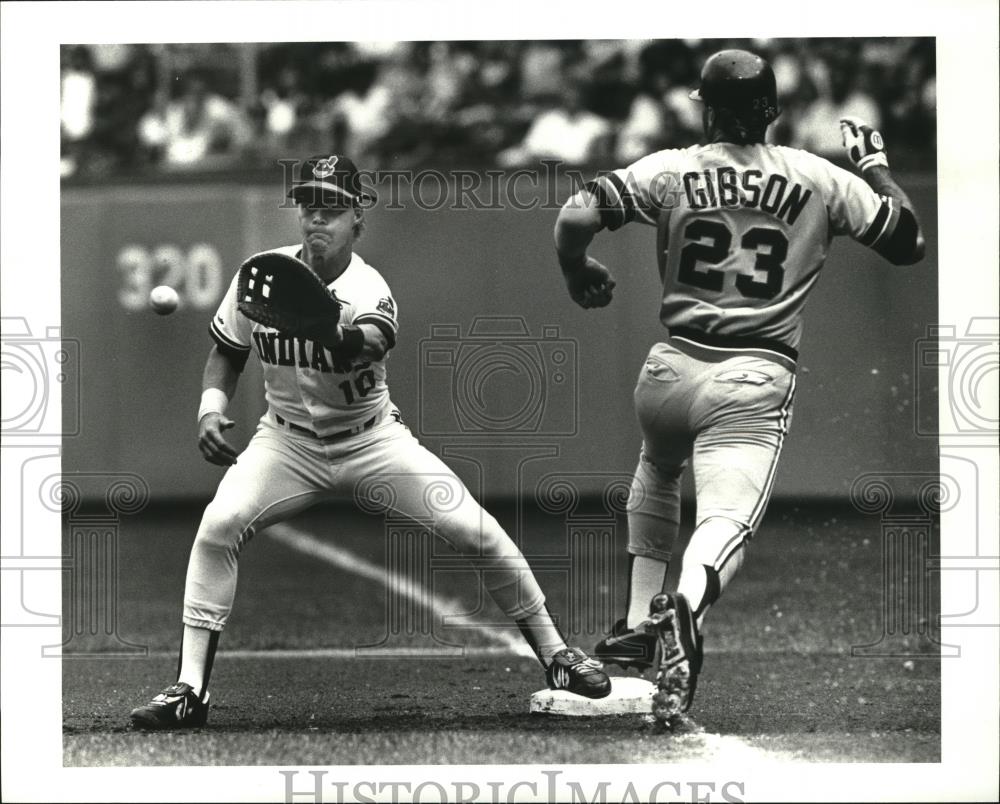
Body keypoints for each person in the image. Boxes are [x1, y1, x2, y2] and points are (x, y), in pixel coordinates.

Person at [129, 154, 610, 730]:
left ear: (358, 218)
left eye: (331, 208)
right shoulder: (262, 274)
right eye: (309, 205)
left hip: (372, 440)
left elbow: (365, 344)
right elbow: (227, 354)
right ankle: (189, 690)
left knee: (476, 531)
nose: (317, 219)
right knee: (218, 527)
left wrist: (317, 323)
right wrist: (211, 409)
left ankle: (556, 655)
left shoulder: (368, 287)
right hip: (286, 444)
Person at [552, 49, 924, 726]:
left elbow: (576, 213)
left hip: (667, 370)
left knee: (658, 470)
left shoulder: (671, 168)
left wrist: (578, 269)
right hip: (752, 375)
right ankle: (684, 612)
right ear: (774, 112)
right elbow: (908, 242)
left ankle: (638, 620)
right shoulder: (817, 176)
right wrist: (874, 167)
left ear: (707, 109)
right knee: (727, 522)